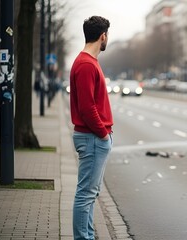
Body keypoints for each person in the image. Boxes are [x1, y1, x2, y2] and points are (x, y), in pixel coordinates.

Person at [69, 16, 113, 240]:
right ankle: (82, 237)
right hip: (92, 137)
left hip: (92, 137)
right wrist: (103, 134)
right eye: (107, 35)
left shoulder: (88, 61)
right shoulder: (86, 64)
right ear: (102, 36)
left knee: (90, 193)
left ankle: (86, 235)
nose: (107, 39)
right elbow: (87, 107)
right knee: (86, 194)